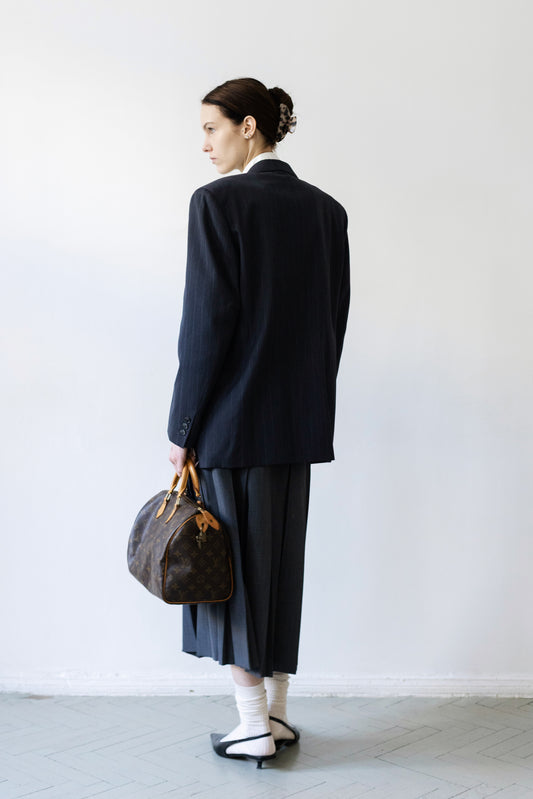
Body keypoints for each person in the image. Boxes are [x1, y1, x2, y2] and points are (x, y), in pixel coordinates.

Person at [168, 77, 350, 768]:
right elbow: (333, 323)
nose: (205, 144)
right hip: (297, 425)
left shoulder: (217, 203)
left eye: (211, 128)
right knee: (277, 569)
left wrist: (182, 427)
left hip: (230, 427)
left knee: (233, 576)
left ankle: (251, 726)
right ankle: (275, 714)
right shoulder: (326, 212)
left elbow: (206, 326)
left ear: (249, 127)